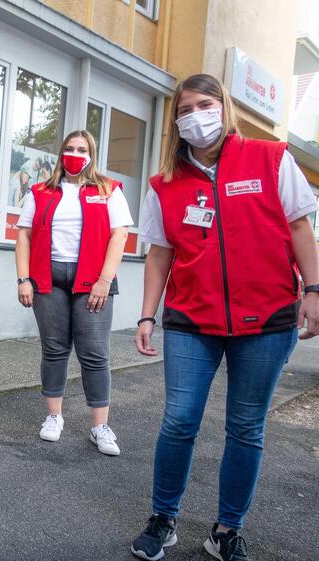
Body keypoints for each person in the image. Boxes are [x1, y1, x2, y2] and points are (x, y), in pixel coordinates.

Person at [130, 74, 319, 561]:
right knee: (178, 421)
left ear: (224, 107)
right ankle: (163, 518)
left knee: (246, 428)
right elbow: (158, 255)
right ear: (176, 120)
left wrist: (315, 290)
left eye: (206, 103)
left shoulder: (271, 158)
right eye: (186, 107)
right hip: (192, 320)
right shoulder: (164, 183)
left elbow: (299, 226)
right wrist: (146, 316)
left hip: (268, 321)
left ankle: (226, 529)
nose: (197, 114)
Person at [14, 130, 133, 455]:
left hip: (93, 282)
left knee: (94, 353)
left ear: (92, 154)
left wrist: (105, 280)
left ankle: (100, 426)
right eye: (70, 148)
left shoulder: (108, 190)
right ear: (60, 153)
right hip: (47, 279)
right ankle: (54, 417)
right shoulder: (40, 191)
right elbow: (23, 236)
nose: (75, 154)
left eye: (82, 149)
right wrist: (23, 279)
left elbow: (119, 236)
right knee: (54, 350)